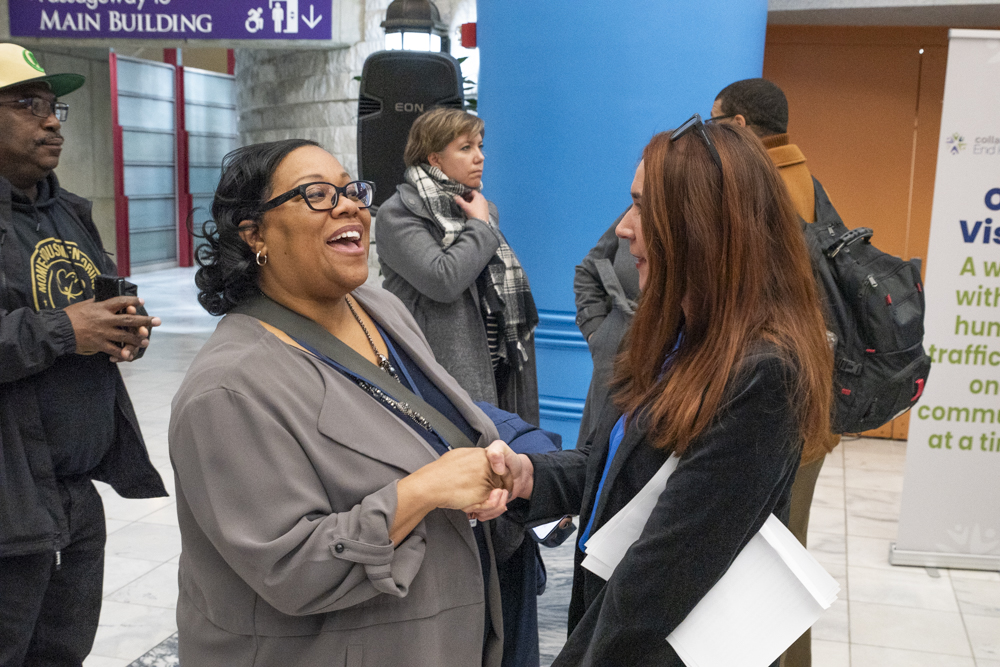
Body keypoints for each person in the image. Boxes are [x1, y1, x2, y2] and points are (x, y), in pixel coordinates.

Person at [479, 120, 834, 666]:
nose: (624, 228)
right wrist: (531, 476)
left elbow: (662, 576)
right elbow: (615, 469)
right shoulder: (677, 335)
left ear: (700, 226)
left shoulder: (764, 374)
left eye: (643, 207)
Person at [170, 138, 532, 666]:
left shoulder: (377, 308)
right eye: (316, 194)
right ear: (255, 235)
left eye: (351, 189)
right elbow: (292, 569)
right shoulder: (228, 389)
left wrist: (494, 469)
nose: (349, 206)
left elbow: (425, 427)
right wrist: (424, 491)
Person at [0, 43, 165, 667]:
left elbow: (81, 308)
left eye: (53, 107)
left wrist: (119, 330)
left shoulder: (69, 213)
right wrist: (68, 331)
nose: (50, 120)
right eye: (26, 105)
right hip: (9, 500)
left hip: (74, 497)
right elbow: (60, 326)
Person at [712, 77, 842, 667]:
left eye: (717, 121)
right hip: (811, 396)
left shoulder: (757, 188)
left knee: (767, 565)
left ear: (738, 125)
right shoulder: (806, 181)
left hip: (775, 398)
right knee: (783, 553)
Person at [376, 107, 539, 425]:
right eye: (466, 148)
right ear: (434, 158)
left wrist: (480, 220)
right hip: (440, 377)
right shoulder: (398, 213)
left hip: (498, 366)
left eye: (480, 146)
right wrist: (480, 226)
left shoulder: (474, 207)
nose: (479, 157)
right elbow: (443, 280)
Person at [573, 211, 639, 446]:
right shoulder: (629, 220)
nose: (624, 228)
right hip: (613, 366)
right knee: (596, 461)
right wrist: (597, 333)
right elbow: (588, 273)